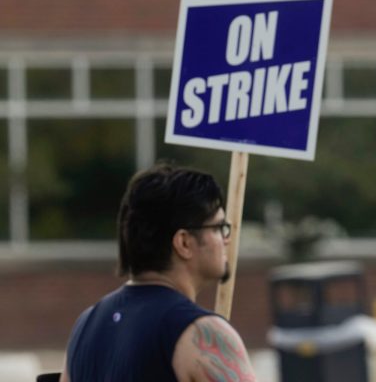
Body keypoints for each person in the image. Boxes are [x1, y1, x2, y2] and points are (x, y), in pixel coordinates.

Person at [60, 163, 257, 382]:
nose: (227, 239)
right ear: (183, 242)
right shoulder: (201, 332)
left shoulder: (85, 325)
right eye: (219, 228)